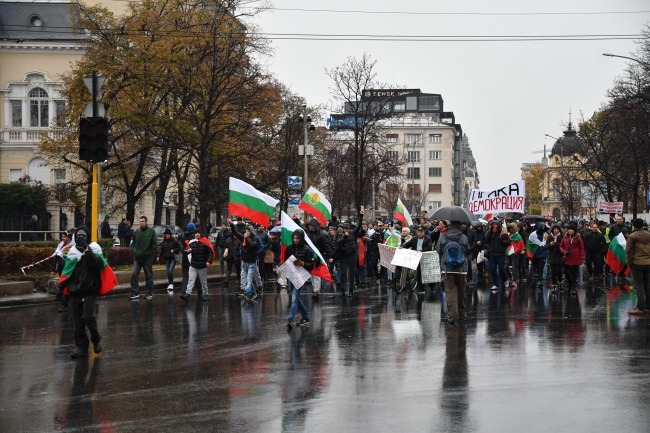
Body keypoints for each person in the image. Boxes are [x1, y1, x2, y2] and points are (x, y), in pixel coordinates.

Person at [56, 225, 117, 358]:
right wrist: (61, 287)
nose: (80, 238)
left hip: (90, 289)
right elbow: (68, 271)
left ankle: (96, 339)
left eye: (83, 236)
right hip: (75, 290)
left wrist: (87, 250)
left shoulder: (94, 248)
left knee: (87, 317)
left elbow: (98, 264)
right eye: (78, 236)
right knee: (77, 322)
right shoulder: (72, 251)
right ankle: (82, 348)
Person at [436, 221, 469, 325]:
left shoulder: (443, 236)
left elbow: (438, 250)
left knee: (450, 292)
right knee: (461, 291)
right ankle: (462, 314)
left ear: (449, 226)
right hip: (461, 269)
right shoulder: (463, 237)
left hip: (447, 268)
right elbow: (467, 249)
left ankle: (452, 317)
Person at [284, 229, 314, 329]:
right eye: (294, 238)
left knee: (294, 299)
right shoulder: (289, 248)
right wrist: (282, 265)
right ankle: (305, 317)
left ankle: (290, 318)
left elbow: (311, 265)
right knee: (296, 298)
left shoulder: (307, 250)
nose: (295, 240)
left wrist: (302, 263)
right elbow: (286, 261)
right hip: (291, 276)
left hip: (301, 277)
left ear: (301, 238)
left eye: (297, 238)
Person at [180, 227, 215, 302]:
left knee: (203, 281)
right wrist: (188, 251)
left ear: (200, 234)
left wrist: (208, 261)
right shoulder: (191, 242)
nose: (197, 234)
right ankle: (188, 294)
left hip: (202, 265)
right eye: (196, 233)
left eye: (198, 233)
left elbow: (210, 252)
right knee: (191, 280)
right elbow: (186, 250)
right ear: (194, 234)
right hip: (193, 265)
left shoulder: (205, 242)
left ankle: (205, 294)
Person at [228, 218, 259, 299]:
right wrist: (231, 224)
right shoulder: (243, 238)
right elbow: (236, 232)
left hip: (251, 262)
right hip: (245, 262)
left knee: (249, 279)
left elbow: (252, 245)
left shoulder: (255, 239)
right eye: (246, 231)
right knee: (246, 278)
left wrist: (247, 238)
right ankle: (253, 293)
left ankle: (247, 292)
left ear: (251, 232)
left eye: (248, 231)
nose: (247, 233)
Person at [129, 216, 158, 300]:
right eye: (140, 221)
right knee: (134, 273)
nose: (141, 222)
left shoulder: (151, 231)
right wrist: (134, 251)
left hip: (147, 257)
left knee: (148, 275)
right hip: (137, 257)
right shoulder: (137, 231)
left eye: (142, 221)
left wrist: (149, 253)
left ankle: (149, 293)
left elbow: (155, 244)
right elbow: (133, 243)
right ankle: (135, 292)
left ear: (146, 222)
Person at [626, 218, 650, 315]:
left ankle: (640, 307)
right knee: (647, 285)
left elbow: (628, 251)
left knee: (639, 285)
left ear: (634, 226)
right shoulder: (649, 235)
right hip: (648, 263)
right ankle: (648, 306)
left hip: (637, 263)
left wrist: (629, 263)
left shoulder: (632, 236)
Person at [337, 210, 364, 296]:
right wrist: (344, 237)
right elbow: (338, 242)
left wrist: (361, 216)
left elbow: (359, 225)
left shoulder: (353, 233)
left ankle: (351, 290)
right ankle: (342, 289)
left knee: (351, 273)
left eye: (348, 229)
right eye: (345, 229)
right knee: (343, 273)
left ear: (350, 229)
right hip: (343, 256)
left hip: (352, 255)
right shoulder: (341, 235)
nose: (346, 230)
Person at [483, 221, 511, 292]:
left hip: (501, 254)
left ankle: (505, 279)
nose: (494, 229)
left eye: (495, 227)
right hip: (493, 254)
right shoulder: (491, 233)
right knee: (492, 269)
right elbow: (486, 240)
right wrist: (490, 231)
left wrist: (502, 241)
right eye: (493, 227)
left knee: (501, 269)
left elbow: (509, 242)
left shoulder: (503, 234)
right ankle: (495, 284)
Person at [52, 230, 75, 312]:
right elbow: (56, 257)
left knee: (66, 285)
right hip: (62, 269)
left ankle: (65, 304)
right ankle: (65, 302)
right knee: (63, 284)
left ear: (69, 237)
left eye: (64, 236)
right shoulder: (60, 246)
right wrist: (54, 269)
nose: (62, 238)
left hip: (69, 269)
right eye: (62, 236)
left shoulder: (73, 247)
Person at [559, 222, 585, 295]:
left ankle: (573, 286)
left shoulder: (578, 237)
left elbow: (581, 248)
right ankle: (570, 284)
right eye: (569, 229)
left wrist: (582, 257)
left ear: (574, 230)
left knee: (574, 273)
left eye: (572, 229)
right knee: (567, 273)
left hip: (575, 258)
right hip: (567, 257)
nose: (570, 230)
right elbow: (561, 246)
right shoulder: (565, 237)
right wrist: (563, 251)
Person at [546, 224, 564, 292]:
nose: (556, 231)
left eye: (557, 229)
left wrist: (556, 244)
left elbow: (562, 246)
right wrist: (550, 244)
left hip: (559, 256)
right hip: (552, 256)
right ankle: (554, 284)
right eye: (555, 229)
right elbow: (546, 247)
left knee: (559, 271)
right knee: (553, 272)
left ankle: (560, 282)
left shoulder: (561, 237)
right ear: (553, 230)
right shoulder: (550, 237)